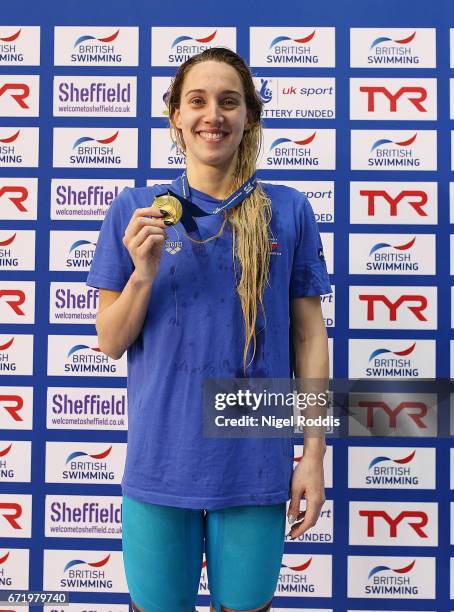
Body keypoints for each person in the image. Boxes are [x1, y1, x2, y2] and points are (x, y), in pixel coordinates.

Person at [87, 47, 331, 612]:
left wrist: (313, 456)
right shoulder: (136, 211)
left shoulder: (287, 210)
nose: (212, 115)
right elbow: (109, 341)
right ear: (175, 114)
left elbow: (309, 338)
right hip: (160, 462)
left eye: (229, 101)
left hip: (255, 463)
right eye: (196, 101)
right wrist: (143, 275)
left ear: (250, 116)